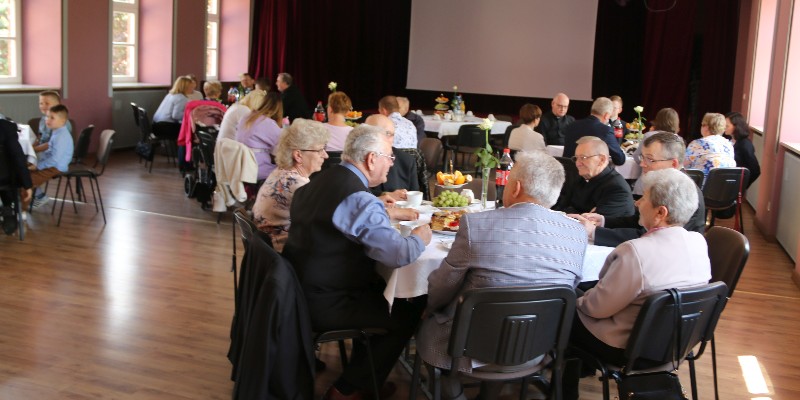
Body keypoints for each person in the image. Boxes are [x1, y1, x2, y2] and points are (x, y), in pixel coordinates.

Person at [417, 151, 587, 400]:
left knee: (427, 321)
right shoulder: (576, 233)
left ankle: (453, 392)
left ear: (516, 187)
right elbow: (567, 289)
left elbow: (443, 287)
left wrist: (429, 307)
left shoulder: (477, 225)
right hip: (536, 345)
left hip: (465, 347)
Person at [282, 124, 432, 400]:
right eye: (389, 156)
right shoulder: (359, 198)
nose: (391, 163)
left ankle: (366, 379)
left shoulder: (317, 182)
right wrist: (422, 238)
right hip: (328, 302)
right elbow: (398, 255)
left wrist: (386, 215)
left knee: (381, 292)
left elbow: (341, 222)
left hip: (298, 292)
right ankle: (347, 389)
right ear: (371, 158)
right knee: (407, 311)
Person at [564, 168, 711, 400]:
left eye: (644, 198)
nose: (637, 203)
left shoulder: (636, 251)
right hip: (674, 344)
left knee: (563, 308)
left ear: (660, 212)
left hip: (627, 346)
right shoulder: (698, 242)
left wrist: (577, 298)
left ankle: (564, 391)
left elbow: (596, 308)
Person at [571, 132, 706, 248]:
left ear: (673, 163)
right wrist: (604, 220)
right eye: (642, 157)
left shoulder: (683, 192)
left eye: (650, 159)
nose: (642, 164)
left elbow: (650, 236)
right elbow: (638, 221)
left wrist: (595, 232)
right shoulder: (661, 183)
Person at [252, 119, 329, 251]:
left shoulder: (280, 172)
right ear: (298, 155)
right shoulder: (296, 185)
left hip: (265, 251)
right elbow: (325, 222)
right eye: (320, 150)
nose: (325, 155)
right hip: (282, 256)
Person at [554, 136, 634, 217]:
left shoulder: (617, 189)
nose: (578, 163)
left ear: (602, 160)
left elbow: (593, 223)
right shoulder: (581, 177)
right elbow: (562, 207)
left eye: (583, 158)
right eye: (576, 158)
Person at [24, 105, 74, 211]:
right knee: (23, 173)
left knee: (26, 181)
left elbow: (55, 160)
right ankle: (24, 203)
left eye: (52, 118)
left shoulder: (61, 136)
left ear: (63, 120)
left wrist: (37, 166)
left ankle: (20, 211)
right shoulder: (57, 132)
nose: (48, 120)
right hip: (50, 164)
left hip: (55, 167)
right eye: (47, 117)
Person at [365, 114, 419, 198]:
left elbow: (415, 196)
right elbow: (353, 194)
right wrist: (384, 195)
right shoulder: (357, 160)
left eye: (389, 134)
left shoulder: (406, 160)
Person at [562, 97, 626, 166]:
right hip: (588, 174)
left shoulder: (571, 125)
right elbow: (620, 159)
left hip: (568, 171)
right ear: (606, 115)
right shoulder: (605, 131)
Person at [235, 91, 283, 181]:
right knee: (288, 171)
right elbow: (281, 149)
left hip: (240, 166)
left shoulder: (246, 117)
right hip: (256, 169)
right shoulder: (268, 123)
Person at [0, 118, 33, 234]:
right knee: (8, 174)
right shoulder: (6, 127)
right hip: (4, 178)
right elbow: (18, 157)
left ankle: (7, 209)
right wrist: (27, 184)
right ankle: (8, 209)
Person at [726, 111, 761, 188]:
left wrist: (742, 186)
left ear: (736, 126)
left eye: (727, 126)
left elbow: (755, 170)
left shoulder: (745, 144)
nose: (724, 128)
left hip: (736, 185)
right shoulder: (728, 140)